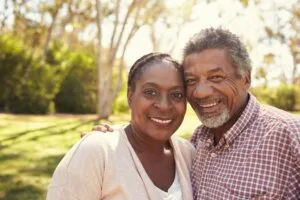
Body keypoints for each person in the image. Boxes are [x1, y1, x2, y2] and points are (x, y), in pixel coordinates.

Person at [93, 28, 300, 199]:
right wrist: (118, 135)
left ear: (245, 79)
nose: (200, 92)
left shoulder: (289, 136)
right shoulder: (198, 143)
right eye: (191, 81)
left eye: (216, 77)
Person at [46, 53, 195, 200]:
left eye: (177, 95)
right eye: (150, 92)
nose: (164, 106)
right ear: (130, 96)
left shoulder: (189, 155)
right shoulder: (97, 151)